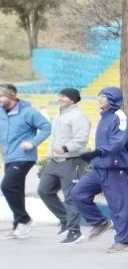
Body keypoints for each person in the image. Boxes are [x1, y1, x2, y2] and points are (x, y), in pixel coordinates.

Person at [72, 87, 128, 252]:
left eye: (103, 96)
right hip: (99, 168)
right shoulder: (104, 118)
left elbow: (118, 141)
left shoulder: (120, 117)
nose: (99, 99)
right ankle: (100, 222)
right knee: (78, 193)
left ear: (113, 99)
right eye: (99, 96)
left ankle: (123, 241)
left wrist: (97, 153)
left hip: (116, 169)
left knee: (119, 205)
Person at [1, 83, 53, 239]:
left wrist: (32, 142)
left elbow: (46, 127)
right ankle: (18, 225)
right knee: (16, 190)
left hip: (24, 157)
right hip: (9, 157)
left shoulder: (28, 112)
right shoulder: (1, 112)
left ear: (11, 95)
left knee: (7, 186)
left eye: (1, 96)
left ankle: (25, 219)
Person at [39, 88, 90, 243]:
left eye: (64, 96)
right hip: (55, 160)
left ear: (73, 99)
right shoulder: (60, 115)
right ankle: (65, 220)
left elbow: (82, 138)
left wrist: (66, 148)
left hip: (72, 160)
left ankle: (75, 232)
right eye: (60, 95)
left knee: (70, 197)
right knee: (44, 191)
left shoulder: (78, 116)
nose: (60, 98)